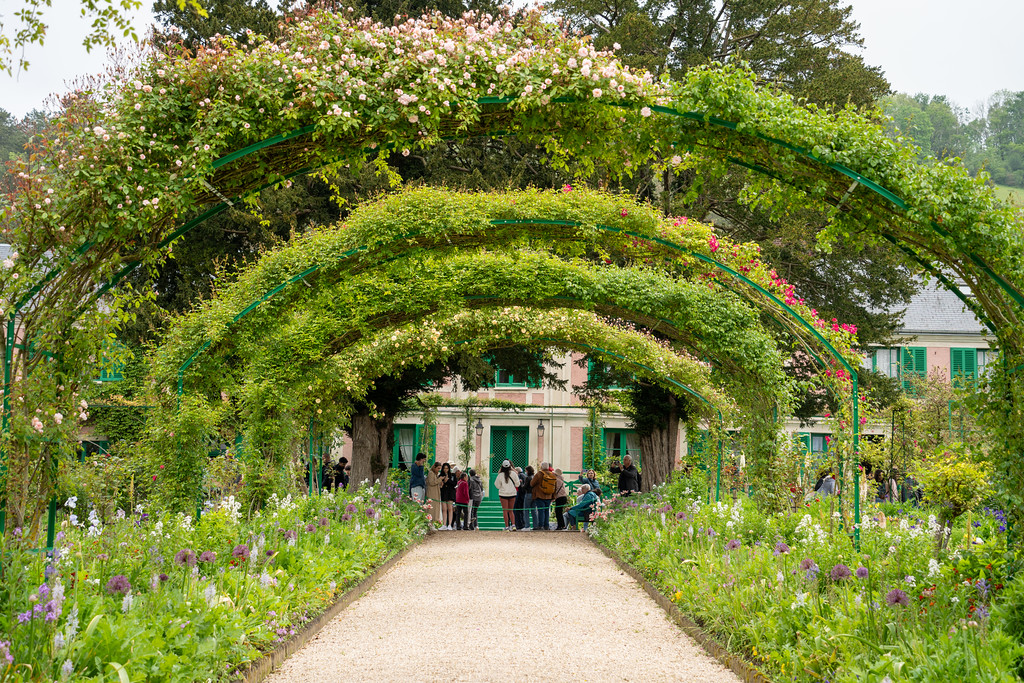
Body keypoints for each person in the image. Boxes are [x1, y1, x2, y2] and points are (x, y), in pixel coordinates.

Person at [494, 459, 520, 530]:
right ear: (510, 466)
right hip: (512, 494)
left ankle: (507, 526)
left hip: (503, 494)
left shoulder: (500, 475)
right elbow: (518, 484)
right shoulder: (514, 474)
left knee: (505, 511)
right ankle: (513, 525)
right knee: (511, 511)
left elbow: (497, 486)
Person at [530, 462, 557, 531]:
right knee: (546, 511)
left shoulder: (539, 474)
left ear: (541, 467)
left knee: (540, 511)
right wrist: (553, 496)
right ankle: (546, 525)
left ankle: (540, 525)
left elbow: (532, 483)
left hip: (539, 495)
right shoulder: (552, 474)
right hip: (549, 496)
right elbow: (555, 486)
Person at [425, 462, 442, 527]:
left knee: (434, 508)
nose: (438, 470)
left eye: (439, 468)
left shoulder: (435, 474)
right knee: (431, 509)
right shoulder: (431, 473)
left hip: (435, 494)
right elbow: (431, 483)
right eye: (438, 468)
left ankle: (432, 524)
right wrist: (439, 479)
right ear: (434, 467)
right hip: (432, 494)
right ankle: (429, 524)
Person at [439, 462, 455, 530]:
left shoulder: (452, 475)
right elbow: (439, 485)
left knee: (450, 509)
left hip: (450, 493)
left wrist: (448, 480)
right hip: (443, 493)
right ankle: (444, 524)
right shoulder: (440, 476)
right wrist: (443, 482)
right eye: (445, 468)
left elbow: (454, 484)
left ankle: (449, 525)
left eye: (447, 468)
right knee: (444, 509)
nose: (446, 470)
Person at [518, 466, 535, 531]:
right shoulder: (534, 477)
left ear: (528, 471)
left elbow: (524, 487)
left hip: (528, 494)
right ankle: (535, 525)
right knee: (534, 511)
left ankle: (527, 526)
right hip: (534, 495)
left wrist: (521, 483)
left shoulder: (528, 478)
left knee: (526, 510)